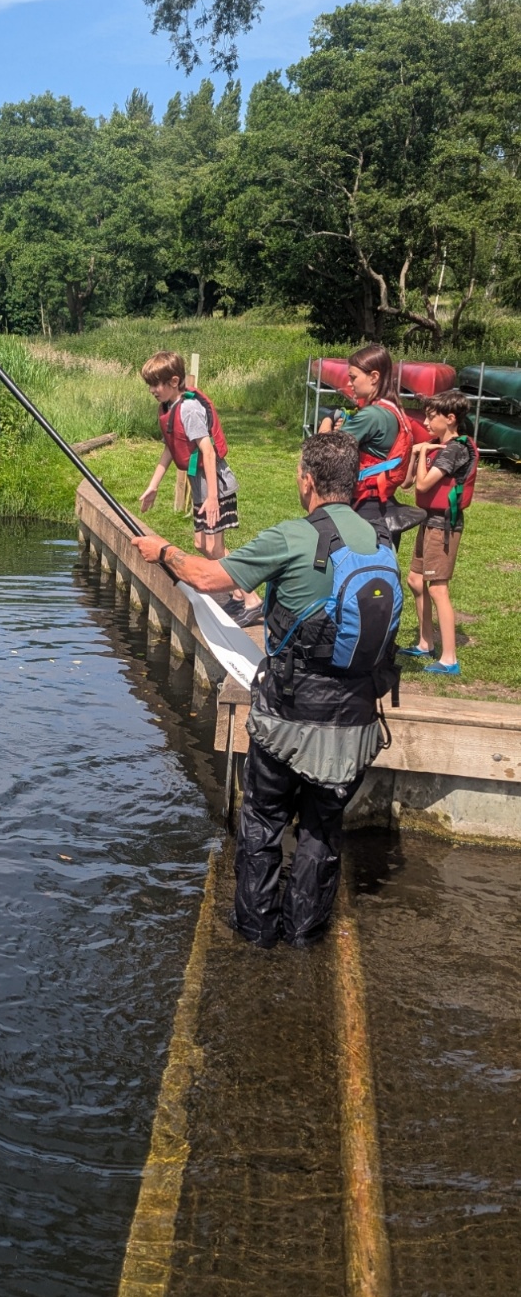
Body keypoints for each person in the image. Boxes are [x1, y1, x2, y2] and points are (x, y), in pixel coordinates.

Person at [132, 432, 401, 947]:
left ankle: (256, 933)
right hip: (356, 717)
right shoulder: (380, 541)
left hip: (289, 715)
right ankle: (305, 933)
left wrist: (162, 550)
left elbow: (205, 576)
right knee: (323, 828)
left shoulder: (293, 536)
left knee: (263, 820)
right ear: (351, 482)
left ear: (308, 481)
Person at [138, 350, 262, 625]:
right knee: (201, 544)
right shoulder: (170, 408)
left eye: (156, 384)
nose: (152, 390)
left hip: (214, 484)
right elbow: (170, 449)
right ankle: (237, 594)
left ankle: (253, 601)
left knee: (215, 548)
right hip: (201, 485)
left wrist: (213, 498)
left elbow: (208, 452)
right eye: (149, 384)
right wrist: (153, 486)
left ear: (174, 381)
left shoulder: (189, 409)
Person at [399, 389, 478, 678]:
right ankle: (425, 643)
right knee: (415, 580)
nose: (426, 422)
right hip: (428, 521)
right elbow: (407, 483)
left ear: (451, 418)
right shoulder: (436, 446)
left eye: (431, 417)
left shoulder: (454, 449)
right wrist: (415, 452)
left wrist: (422, 452)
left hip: (444, 525)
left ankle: (449, 659)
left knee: (437, 588)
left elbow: (423, 485)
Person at [318, 343, 414, 542]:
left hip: (365, 509)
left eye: (353, 377)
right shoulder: (393, 409)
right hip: (382, 506)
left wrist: (328, 418)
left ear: (374, 377)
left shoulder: (372, 415)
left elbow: (324, 451)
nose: (349, 383)